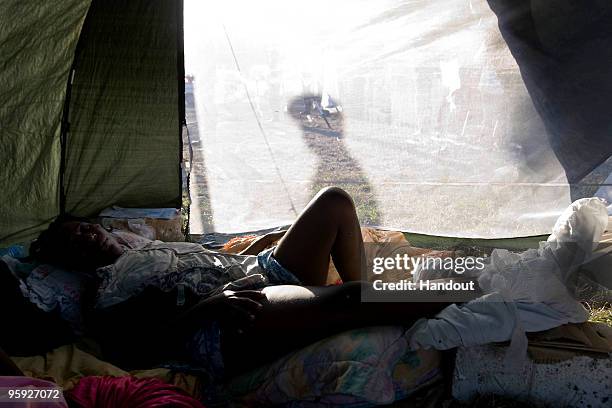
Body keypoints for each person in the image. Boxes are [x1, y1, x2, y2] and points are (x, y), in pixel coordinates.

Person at [27, 187, 455, 377]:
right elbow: (131, 349)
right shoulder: (105, 292)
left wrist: (253, 252)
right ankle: (469, 300)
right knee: (349, 297)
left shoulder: (146, 247)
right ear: (71, 264)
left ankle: (371, 307)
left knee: (335, 202)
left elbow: (212, 258)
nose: (83, 236)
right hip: (228, 318)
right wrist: (206, 309)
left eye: (81, 227)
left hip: (257, 271)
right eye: (72, 244)